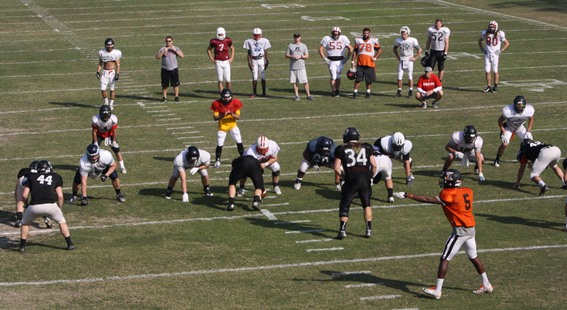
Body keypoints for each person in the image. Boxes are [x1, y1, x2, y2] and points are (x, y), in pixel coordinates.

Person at [393, 169, 494, 299]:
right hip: (471, 228)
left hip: (460, 231)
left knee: (445, 258)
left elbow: (428, 199)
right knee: (473, 256)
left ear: (451, 182)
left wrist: (408, 195)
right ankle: (486, 284)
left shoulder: (448, 193)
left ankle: (437, 290)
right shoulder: (468, 191)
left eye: (446, 179)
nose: (443, 181)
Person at [17, 160, 74, 252]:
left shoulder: (31, 176)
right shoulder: (55, 176)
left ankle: (22, 246)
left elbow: (24, 195)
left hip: (34, 206)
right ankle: (69, 244)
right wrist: (59, 209)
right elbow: (60, 196)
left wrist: (27, 205)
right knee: (61, 221)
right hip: (51, 205)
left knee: (25, 223)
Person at [333, 127, 377, 239]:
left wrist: (343, 175)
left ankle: (342, 230)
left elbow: (336, 167)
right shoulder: (367, 147)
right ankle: (369, 230)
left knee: (345, 204)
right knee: (366, 204)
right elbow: (374, 165)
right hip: (365, 180)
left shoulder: (341, 149)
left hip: (350, 180)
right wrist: (370, 176)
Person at [493, 95, 535, 167]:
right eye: (518, 106)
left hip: (520, 127)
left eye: (521, 106)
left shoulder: (529, 110)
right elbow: (500, 121)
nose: (519, 108)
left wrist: (528, 130)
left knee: (530, 142)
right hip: (509, 127)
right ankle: (497, 158)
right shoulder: (508, 111)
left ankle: (527, 156)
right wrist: (503, 131)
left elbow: (531, 119)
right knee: (505, 144)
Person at [210, 88, 244, 168]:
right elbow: (215, 118)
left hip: (233, 125)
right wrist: (223, 115)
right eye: (225, 97)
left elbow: (238, 117)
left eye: (228, 97)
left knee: (239, 141)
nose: (227, 99)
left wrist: (232, 114)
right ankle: (217, 160)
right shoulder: (217, 103)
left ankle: (243, 158)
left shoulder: (235, 102)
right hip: (222, 127)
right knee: (220, 144)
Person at [14, 161, 52, 228]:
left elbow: (20, 181)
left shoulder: (24, 171)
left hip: (23, 180)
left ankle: (19, 219)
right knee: (42, 200)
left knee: (20, 200)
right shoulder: (42, 172)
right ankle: (46, 218)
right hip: (35, 181)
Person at [319, 27, 353, 97]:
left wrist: (347, 57)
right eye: (334, 34)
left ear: (339, 34)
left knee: (338, 77)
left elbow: (351, 48)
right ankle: (333, 91)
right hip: (331, 61)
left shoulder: (343, 38)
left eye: (337, 34)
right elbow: (320, 49)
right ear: (332, 33)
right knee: (333, 77)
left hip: (341, 61)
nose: (336, 35)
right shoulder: (327, 39)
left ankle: (337, 90)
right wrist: (325, 58)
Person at [92, 104, 127, 174]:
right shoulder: (96, 120)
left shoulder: (113, 119)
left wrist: (114, 141)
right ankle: (93, 167)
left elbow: (114, 131)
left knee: (116, 150)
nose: (105, 117)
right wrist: (95, 142)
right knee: (94, 152)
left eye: (107, 115)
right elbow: (94, 131)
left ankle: (122, 166)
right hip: (99, 135)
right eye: (104, 115)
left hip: (109, 135)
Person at [478, 21, 509, 93]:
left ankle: (495, 86)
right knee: (487, 71)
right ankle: (488, 86)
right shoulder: (485, 33)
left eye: (492, 27)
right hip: (487, 54)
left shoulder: (500, 34)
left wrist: (501, 50)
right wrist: (482, 49)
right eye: (490, 27)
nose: (491, 28)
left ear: (496, 27)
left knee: (495, 71)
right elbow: (479, 41)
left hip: (495, 55)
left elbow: (507, 43)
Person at [351, 27, 382, 99]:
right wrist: (353, 61)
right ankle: (355, 92)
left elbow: (379, 50)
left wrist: (375, 57)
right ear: (363, 33)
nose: (365, 34)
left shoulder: (373, 40)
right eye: (364, 33)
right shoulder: (358, 40)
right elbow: (355, 51)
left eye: (367, 33)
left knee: (368, 80)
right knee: (358, 79)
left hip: (369, 63)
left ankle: (368, 92)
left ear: (369, 33)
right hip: (360, 63)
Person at [393, 26, 422, 98]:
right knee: (399, 76)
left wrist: (415, 58)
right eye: (402, 33)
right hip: (402, 59)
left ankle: (410, 92)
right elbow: (394, 49)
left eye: (404, 33)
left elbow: (420, 50)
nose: (403, 35)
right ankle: (399, 91)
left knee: (410, 76)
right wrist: (398, 57)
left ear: (408, 33)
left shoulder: (412, 40)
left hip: (409, 60)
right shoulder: (398, 40)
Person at [243, 28, 271, 98]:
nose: (257, 36)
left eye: (258, 35)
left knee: (263, 77)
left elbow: (265, 51)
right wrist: (249, 62)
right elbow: (248, 53)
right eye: (255, 35)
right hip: (254, 60)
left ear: (261, 35)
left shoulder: (265, 41)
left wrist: (267, 60)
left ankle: (264, 93)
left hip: (261, 60)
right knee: (254, 77)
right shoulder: (249, 41)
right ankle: (254, 93)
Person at [155, 36, 184, 103]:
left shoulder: (176, 48)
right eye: (167, 41)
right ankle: (164, 97)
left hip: (174, 68)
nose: (168, 42)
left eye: (169, 41)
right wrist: (162, 52)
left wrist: (175, 51)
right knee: (164, 85)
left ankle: (176, 96)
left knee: (175, 84)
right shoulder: (162, 48)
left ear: (172, 41)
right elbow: (157, 57)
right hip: (165, 69)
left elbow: (182, 56)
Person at [285, 33, 313, 101]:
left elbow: (307, 56)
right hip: (293, 67)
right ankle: (297, 95)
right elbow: (286, 55)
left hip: (301, 66)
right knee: (294, 82)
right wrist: (292, 56)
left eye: (297, 37)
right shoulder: (290, 45)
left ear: (300, 37)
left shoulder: (303, 46)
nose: (296, 38)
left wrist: (300, 56)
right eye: (295, 37)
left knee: (305, 81)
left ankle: (308, 95)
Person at [96, 38, 121, 110]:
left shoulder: (116, 53)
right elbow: (100, 63)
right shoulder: (102, 52)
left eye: (111, 45)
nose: (110, 47)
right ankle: (106, 103)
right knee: (102, 89)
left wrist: (117, 74)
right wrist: (98, 71)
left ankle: (111, 104)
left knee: (112, 89)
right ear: (106, 45)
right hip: (104, 72)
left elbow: (118, 64)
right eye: (108, 45)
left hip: (112, 72)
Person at [207, 27, 234, 93]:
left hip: (226, 61)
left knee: (228, 79)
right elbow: (208, 50)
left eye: (221, 34)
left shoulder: (228, 40)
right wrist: (212, 59)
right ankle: (222, 94)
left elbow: (232, 48)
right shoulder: (214, 41)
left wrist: (231, 58)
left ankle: (229, 93)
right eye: (219, 34)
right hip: (218, 61)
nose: (220, 36)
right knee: (220, 79)